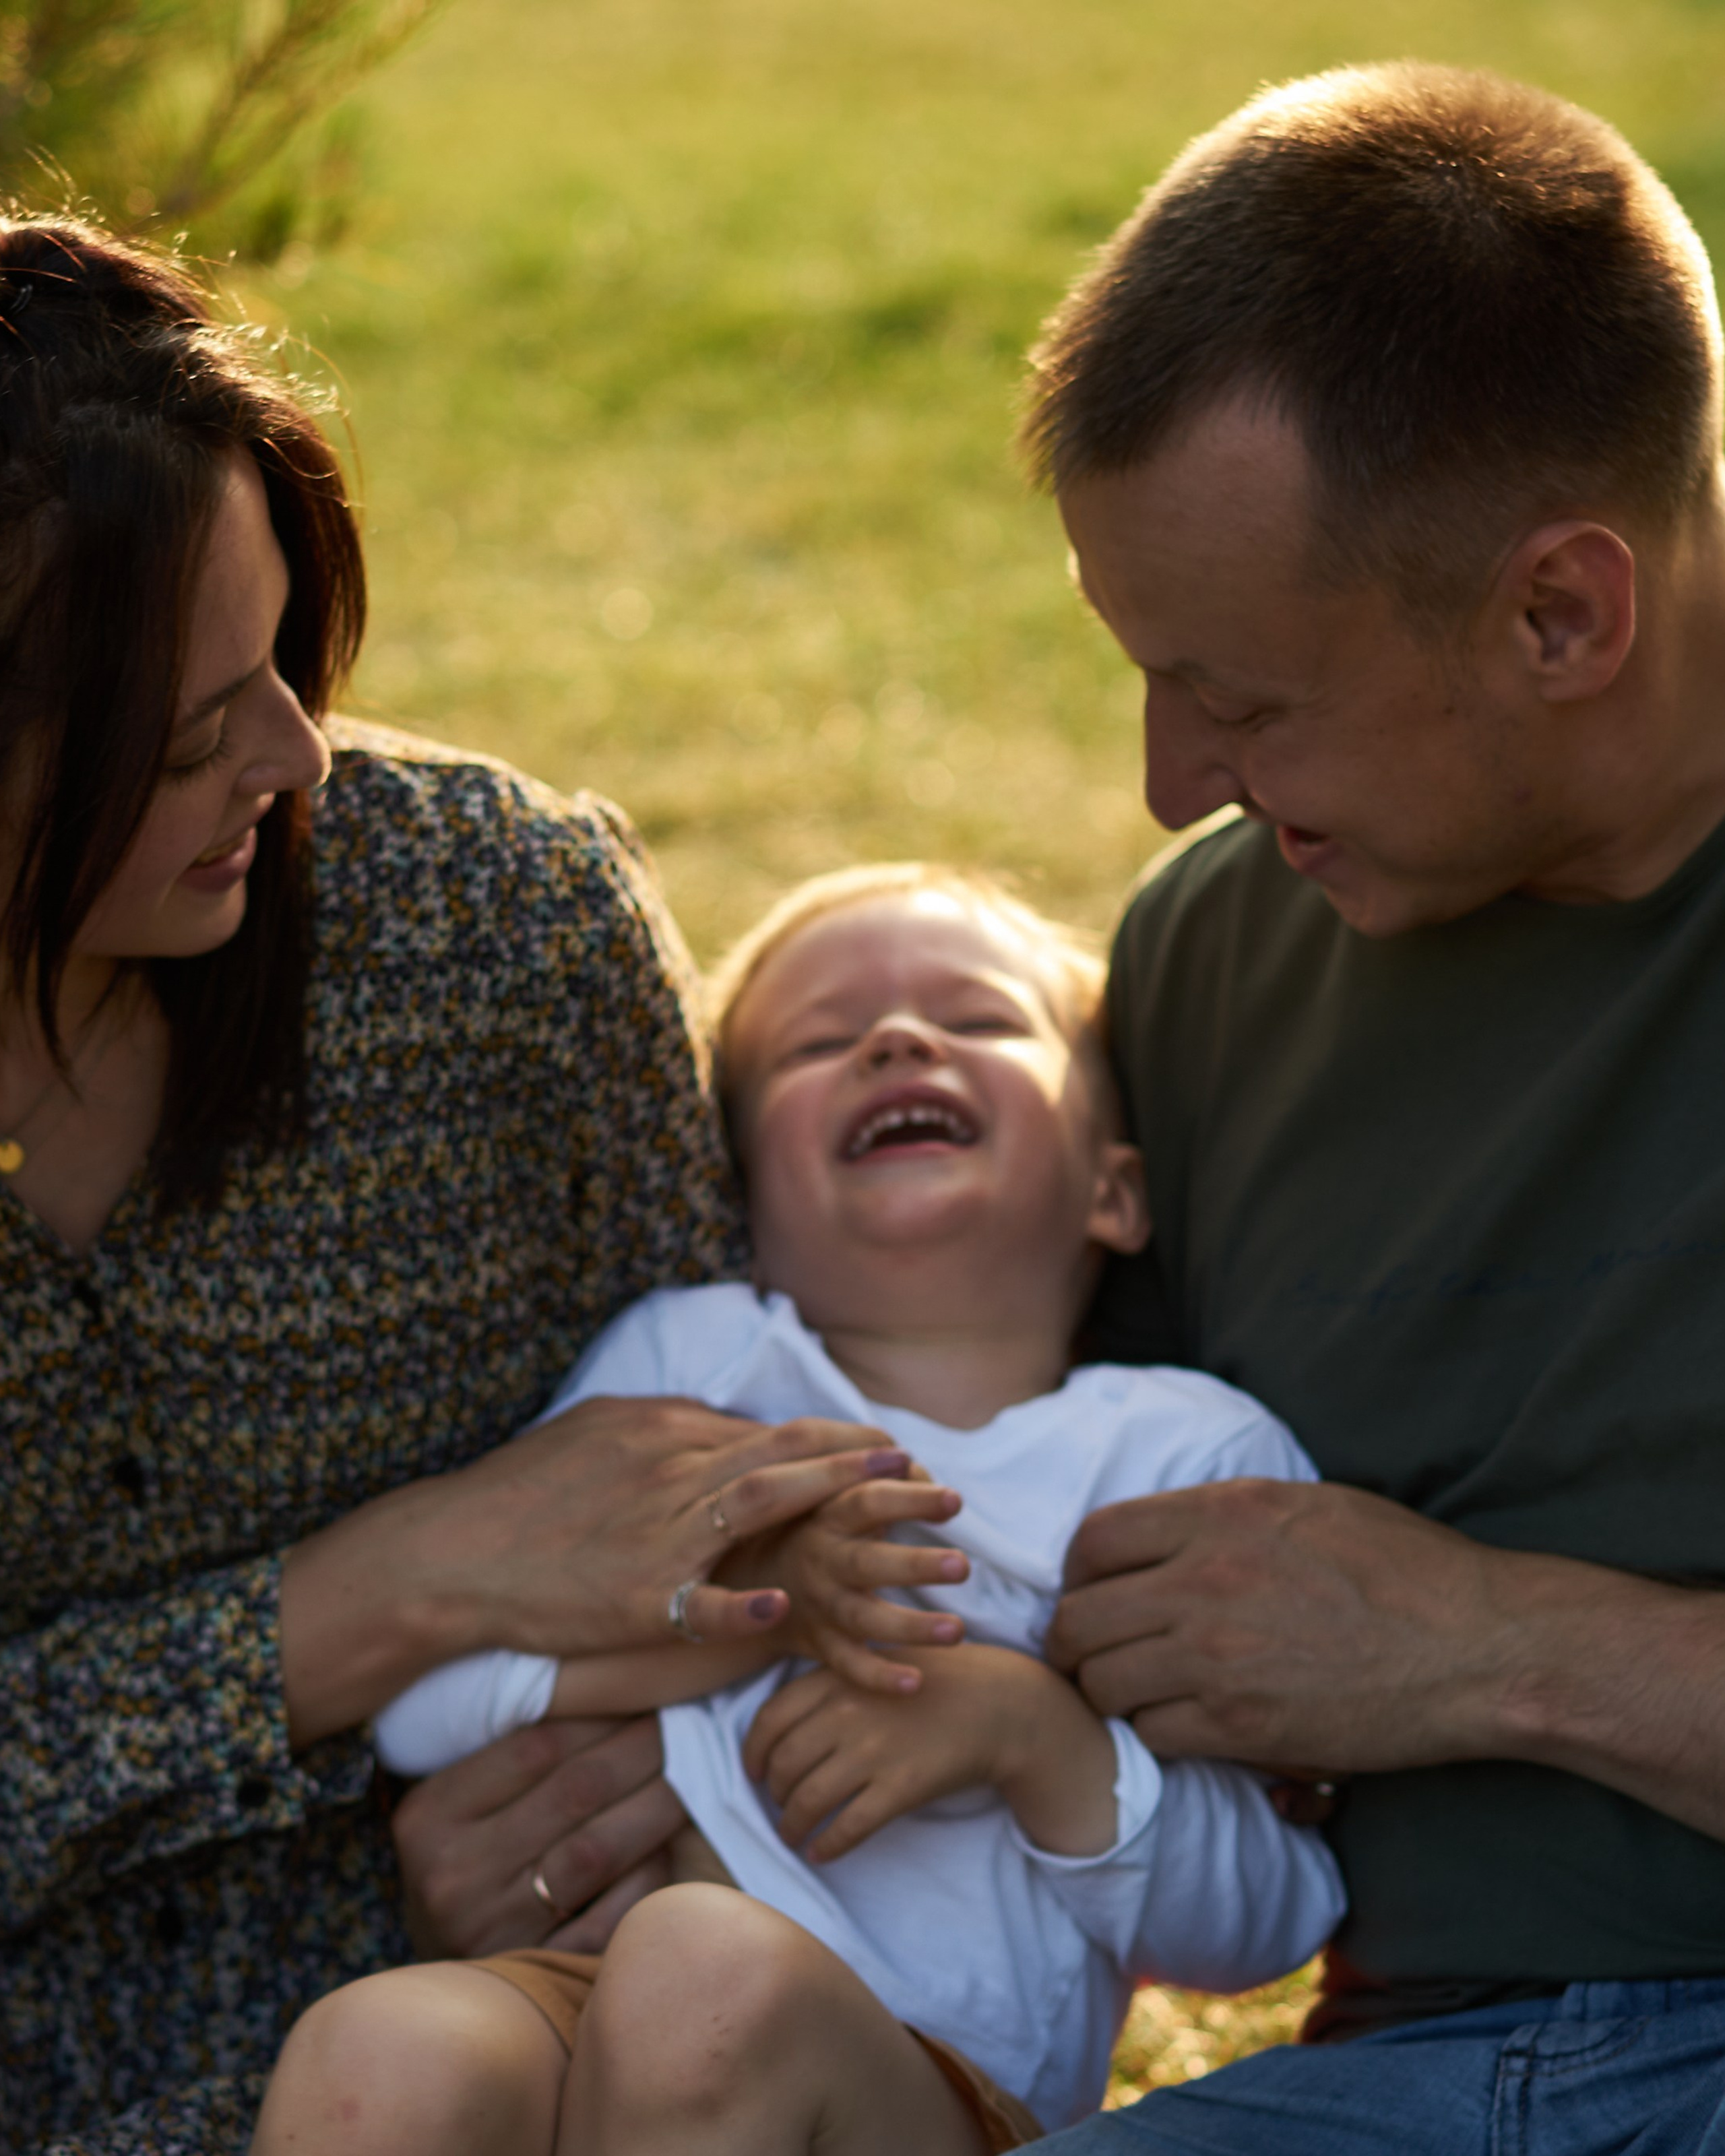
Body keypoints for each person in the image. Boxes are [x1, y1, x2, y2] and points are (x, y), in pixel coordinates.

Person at [0, 218, 915, 2156]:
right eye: (185, 738)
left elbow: (760, 1493)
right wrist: (372, 1598)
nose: (296, 753)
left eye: (282, 659)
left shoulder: (485, 934)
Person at [1013, 61, 1725, 2155]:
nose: (1168, 780)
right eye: (1144, 677)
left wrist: (1498, 1651)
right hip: (1414, 2083)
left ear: (1560, 613)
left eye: (1237, 696)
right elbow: (1059, 1602)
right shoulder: (1219, 960)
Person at [248, 865, 1343, 2155]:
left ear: (1117, 1192)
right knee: (378, 2052)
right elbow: (431, 1709)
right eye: (821, 1044)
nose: (896, 1039)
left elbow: (1270, 1922)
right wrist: (764, 1613)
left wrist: (1025, 1731)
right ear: (746, 1209)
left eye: (982, 1020)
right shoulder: (690, 1368)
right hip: (587, 2000)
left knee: (704, 1973)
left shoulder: (1180, 1450)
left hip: (934, 2076)